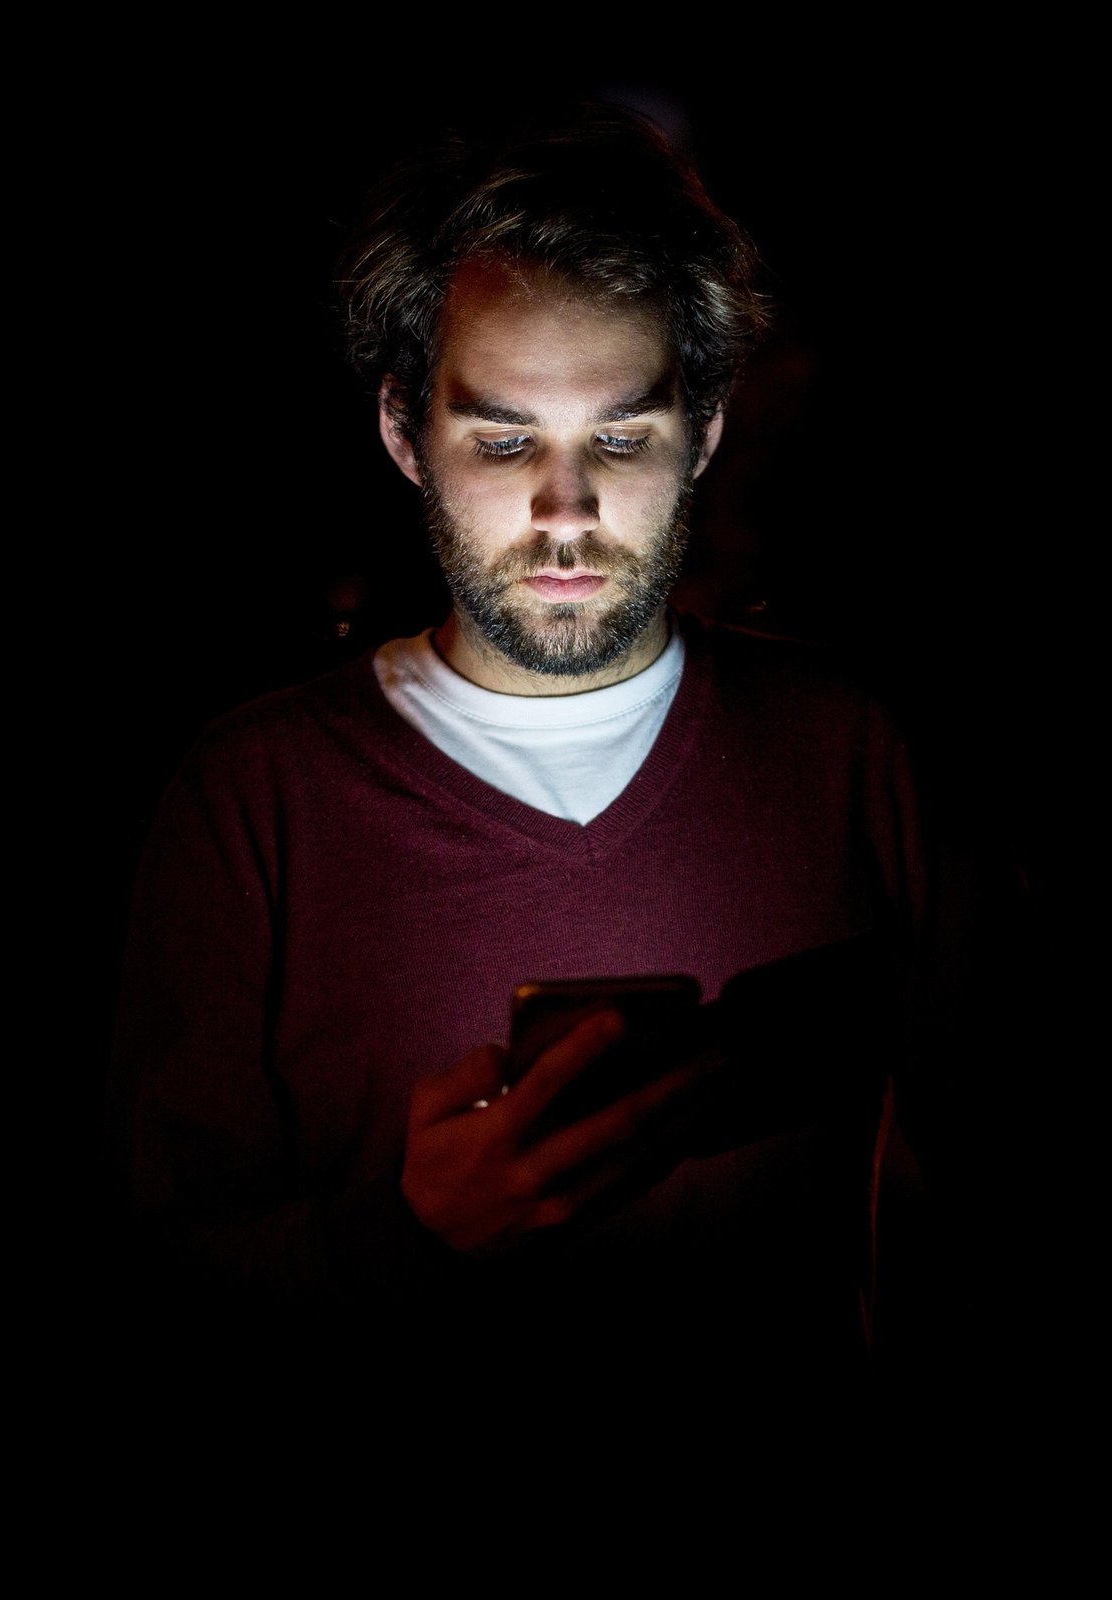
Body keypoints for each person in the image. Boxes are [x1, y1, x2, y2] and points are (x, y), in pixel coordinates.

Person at [106, 103, 1016, 1416]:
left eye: (621, 437)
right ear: (405, 434)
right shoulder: (255, 798)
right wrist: (410, 1232)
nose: (566, 511)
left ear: (706, 429)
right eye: (504, 438)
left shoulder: (857, 754)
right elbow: (158, 1285)